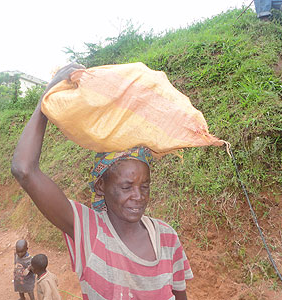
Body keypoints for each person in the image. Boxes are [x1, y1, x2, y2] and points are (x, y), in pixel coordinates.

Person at [11, 63, 193, 300]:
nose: (138, 196)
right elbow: (24, 170)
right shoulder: (89, 231)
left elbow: (181, 295)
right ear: (101, 186)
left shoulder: (167, 237)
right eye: (126, 187)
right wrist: (47, 98)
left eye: (144, 186)